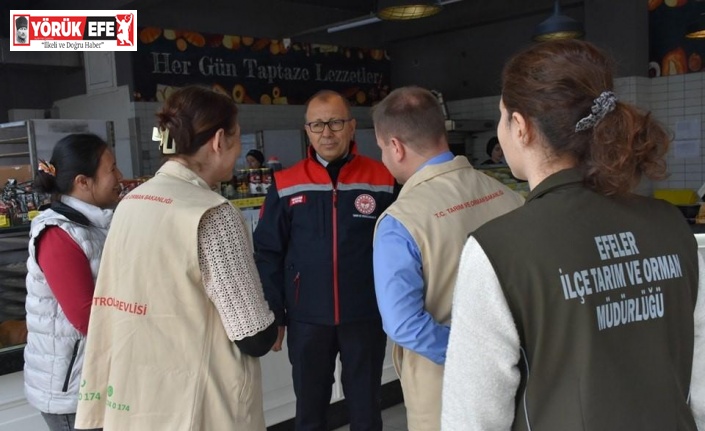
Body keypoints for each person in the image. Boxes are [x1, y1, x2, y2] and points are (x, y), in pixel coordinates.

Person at [441, 39, 705, 430]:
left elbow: (472, 418)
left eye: (502, 116)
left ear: (520, 127)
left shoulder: (497, 249)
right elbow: (698, 378)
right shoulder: (671, 227)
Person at [75, 85, 277, 431]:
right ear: (218, 141)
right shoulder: (212, 214)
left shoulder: (132, 202)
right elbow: (253, 335)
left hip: (138, 399)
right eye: (237, 138)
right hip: (198, 406)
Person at [371, 86, 524, 431]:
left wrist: (473, 352)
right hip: (516, 371)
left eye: (381, 148)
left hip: (442, 388)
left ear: (395, 147)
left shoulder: (400, 222)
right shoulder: (507, 195)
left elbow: (403, 323)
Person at [253, 89, 397, 431]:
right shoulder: (286, 184)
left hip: (364, 315)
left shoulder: (384, 180)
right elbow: (268, 252)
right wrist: (276, 312)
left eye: (334, 123)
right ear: (307, 130)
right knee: (310, 410)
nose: (326, 133)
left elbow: (399, 249)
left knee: (365, 409)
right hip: (306, 318)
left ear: (351, 126)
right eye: (317, 125)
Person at [24, 133, 122, 431]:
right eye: (112, 170)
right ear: (83, 181)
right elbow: (86, 317)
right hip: (74, 392)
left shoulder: (94, 224)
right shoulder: (57, 233)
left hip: (96, 379)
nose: (120, 177)